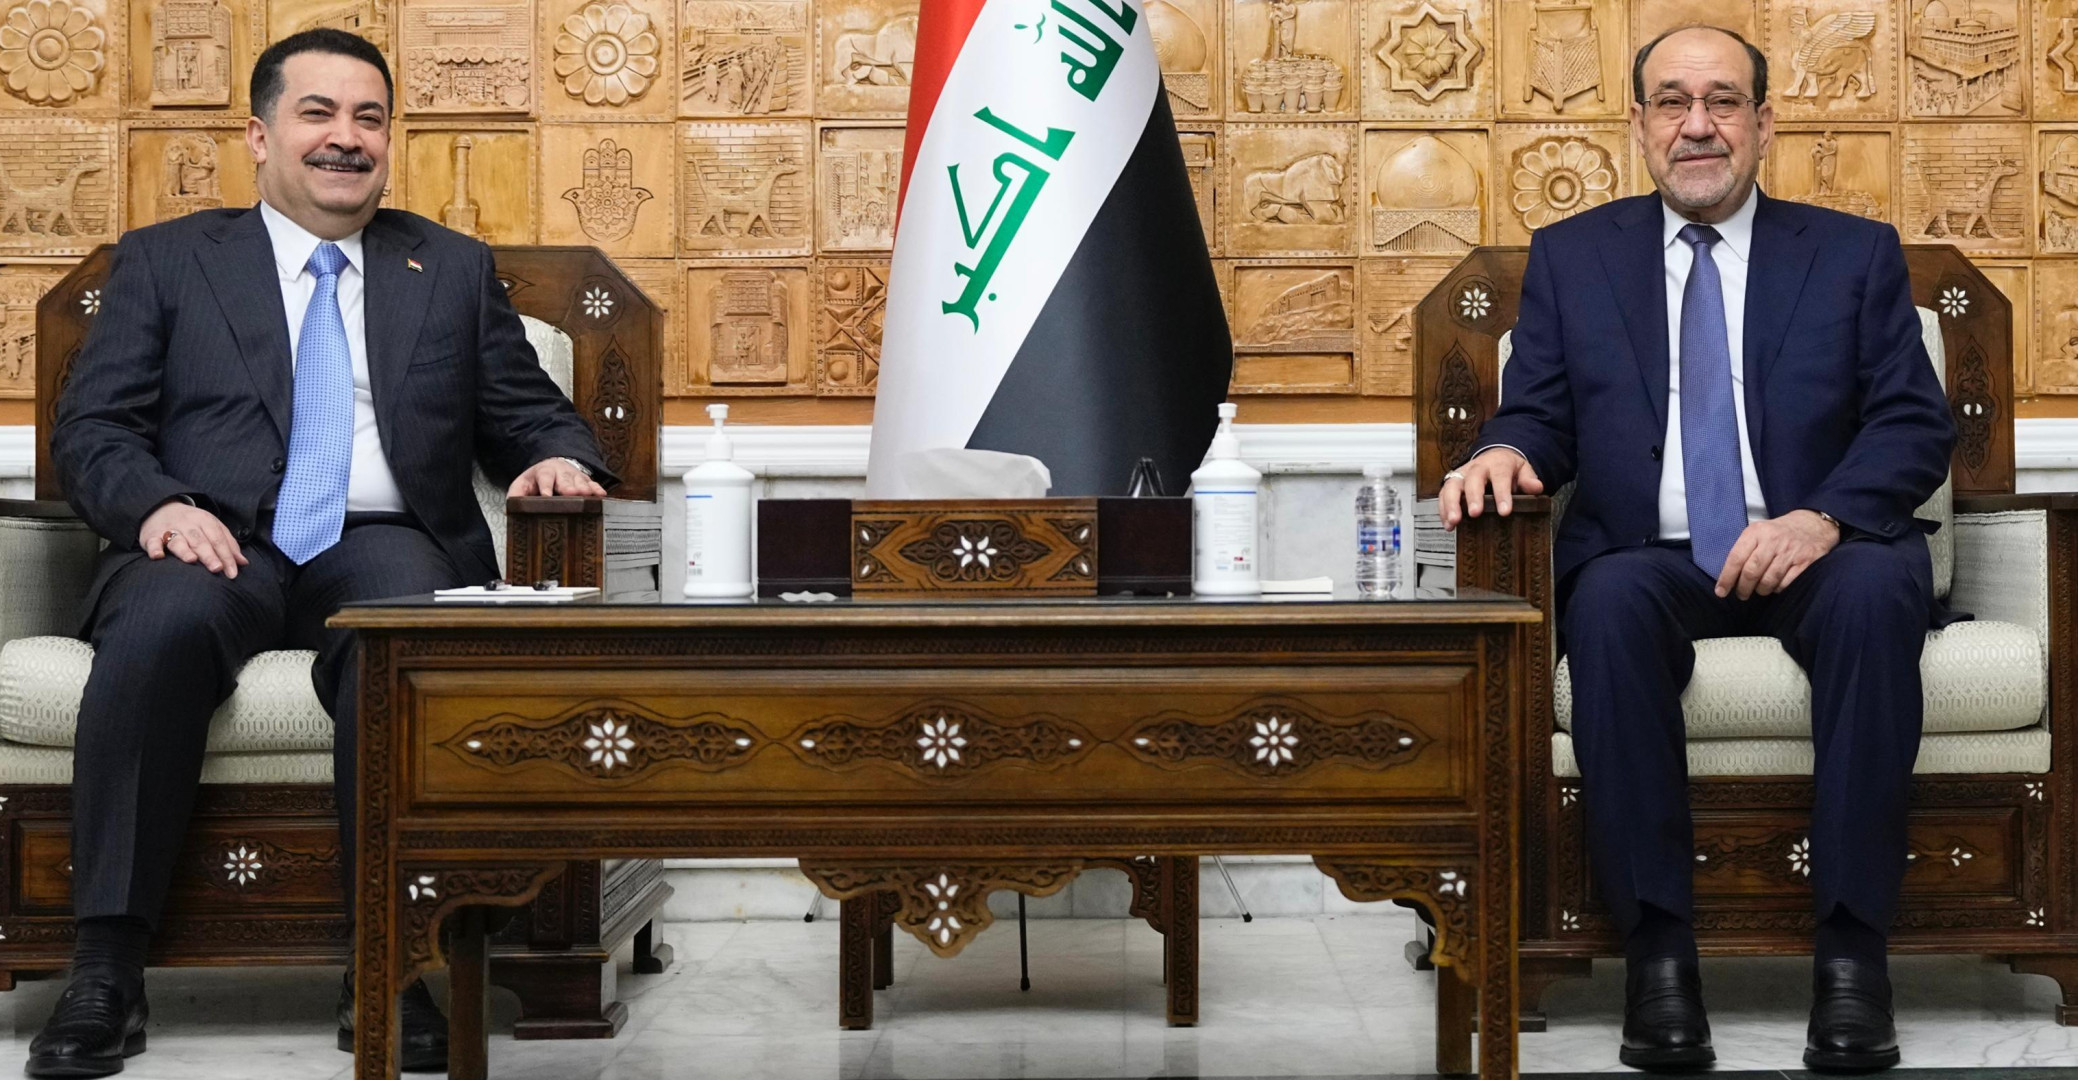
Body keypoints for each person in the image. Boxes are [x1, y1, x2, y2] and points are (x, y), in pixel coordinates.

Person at [30, 29, 612, 1078]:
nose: (347, 138)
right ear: (260, 136)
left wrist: (558, 460)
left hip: (381, 540)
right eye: (318, 113)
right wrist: (156, 505)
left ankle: (388, 960)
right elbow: (94, 429)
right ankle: (106, 968)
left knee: (403, 637)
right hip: (214, 535)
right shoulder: (168, 260)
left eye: (369, 118)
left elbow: (530, 414)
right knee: (160, 625)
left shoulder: (449, 268)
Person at [1438, 24, 1953, 1074]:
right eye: (1672, 102)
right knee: (1606, 606)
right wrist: (1500, 449)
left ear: (1764, 122)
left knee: (1869, 598)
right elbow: (1538, 414)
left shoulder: (1851, 253)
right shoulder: (1574, 257)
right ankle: (1658, 957)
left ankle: (1853, 957)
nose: (1698, 125)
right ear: (1637, 125)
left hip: (1817, 549)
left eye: (1723, 101)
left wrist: (1819, 519)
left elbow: (1911, 425)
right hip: (1652, 553)